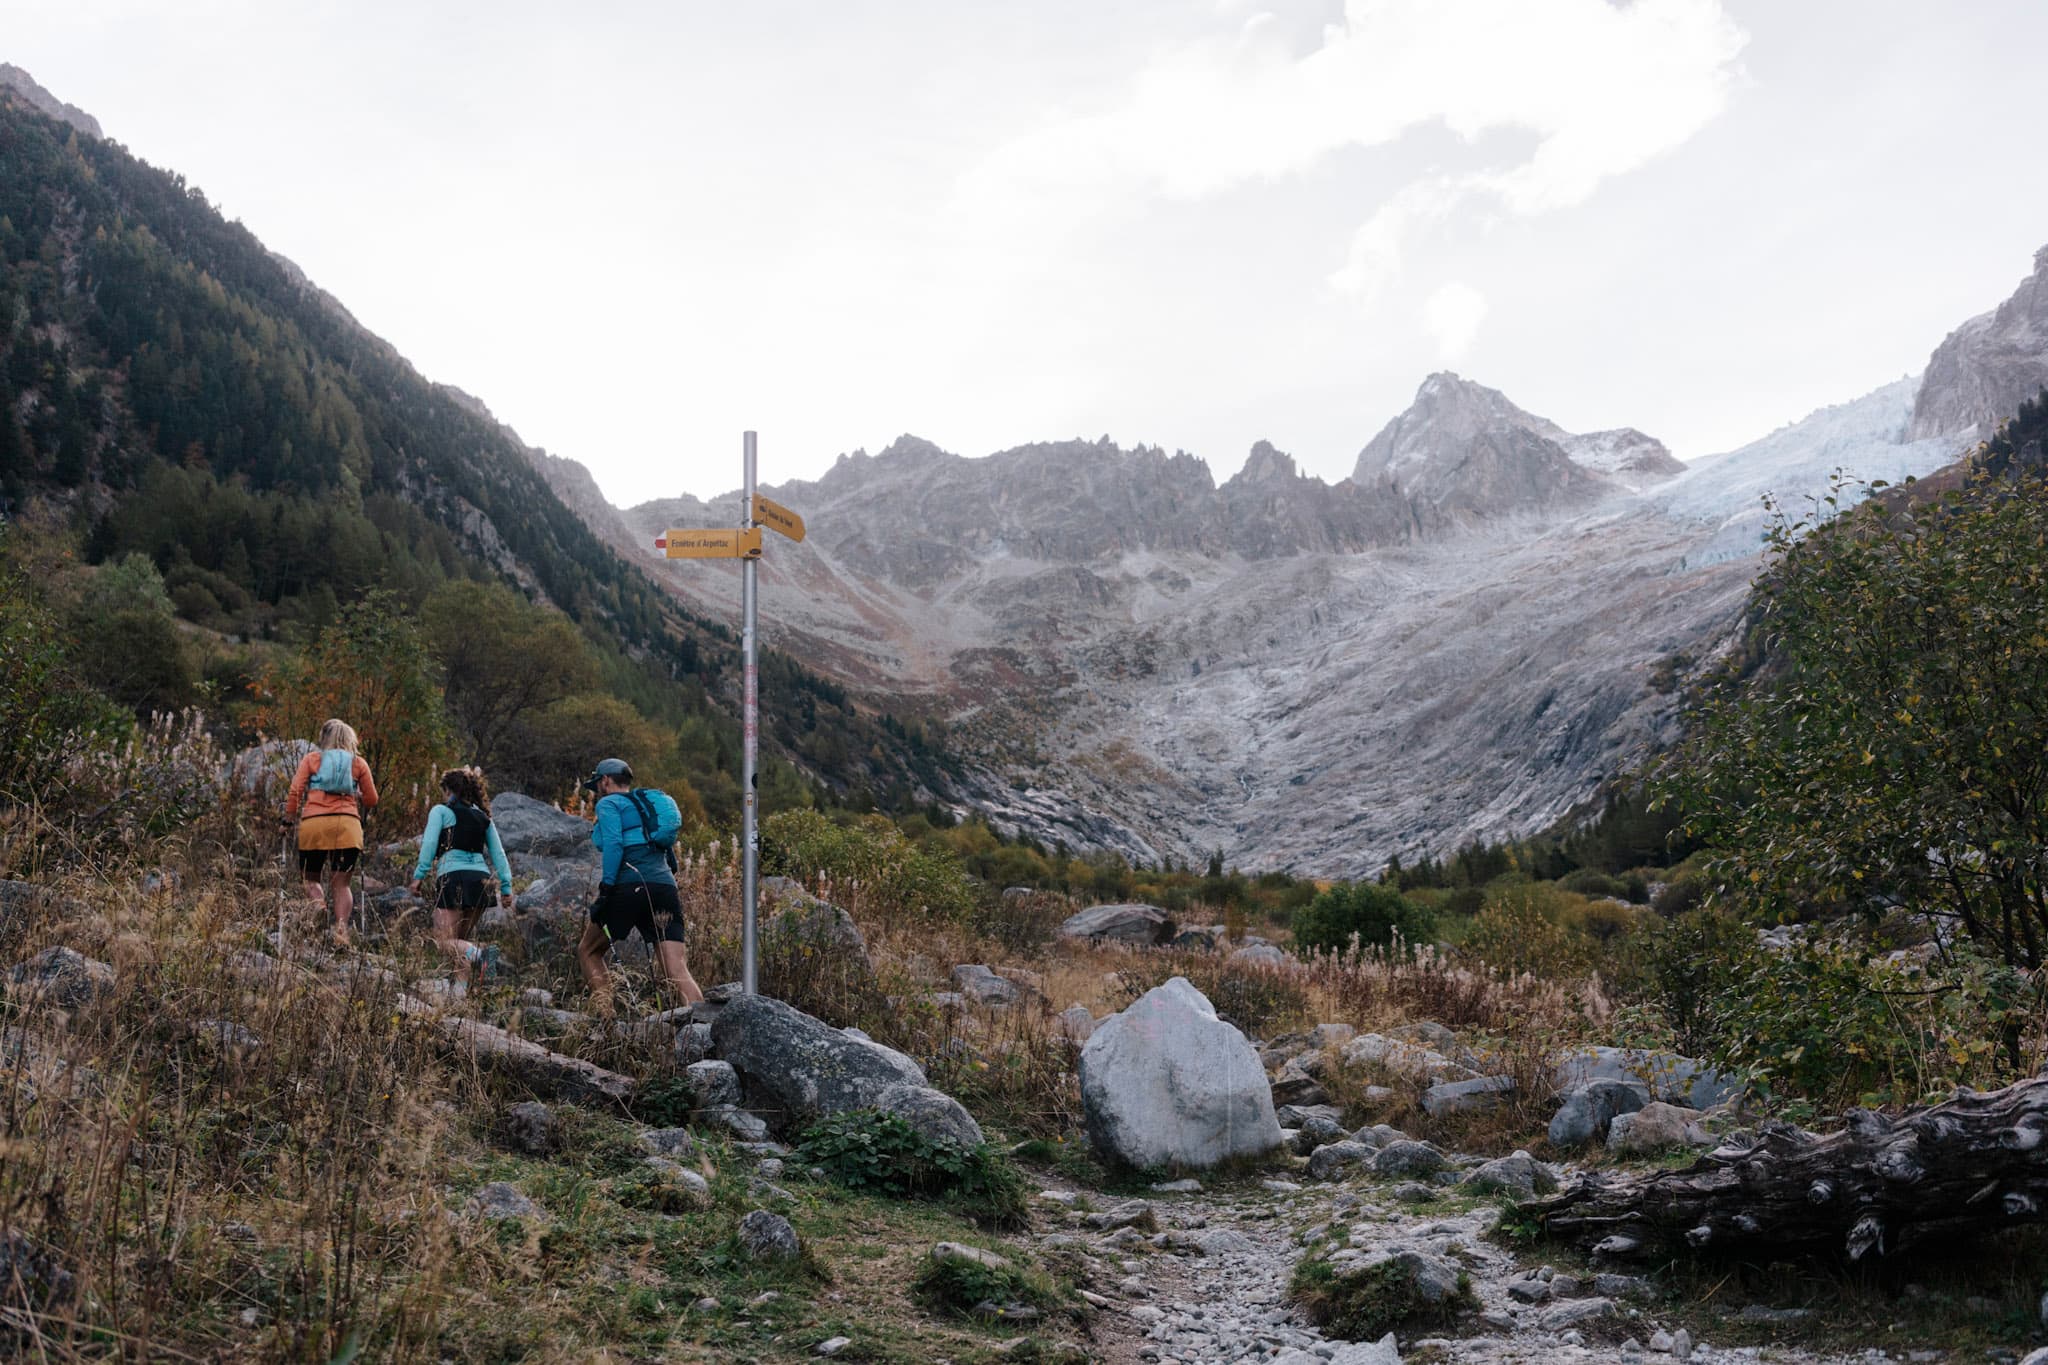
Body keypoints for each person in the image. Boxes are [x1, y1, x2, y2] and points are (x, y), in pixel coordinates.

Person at [578, 757, 704, 1014]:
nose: (597, 790)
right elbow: (669, 854)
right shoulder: (645, 805)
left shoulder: (609, 803)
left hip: (629, 886)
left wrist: (607, 888)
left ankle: (607, 1021)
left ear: (605, 780)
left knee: (588, 951)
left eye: (597, 783)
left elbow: (614, 843)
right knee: (676, 969)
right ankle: (704, 1028)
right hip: (664, 887)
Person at [409, 766, 514, 990]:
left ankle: (481, 955)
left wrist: (419, 875)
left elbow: (429, 843)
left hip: (453, 878)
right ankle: (459, 995)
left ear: (449, 790)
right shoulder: (483, 817)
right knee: (459, 943)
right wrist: (506, 887)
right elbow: (499, 853)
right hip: (481, 882)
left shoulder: (441, 811)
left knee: (442, 941)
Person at [283, 718, 379, 946]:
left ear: (324, 738)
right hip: (347, 827)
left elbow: (295, 790)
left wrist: (287, 820)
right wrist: (357, 796)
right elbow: (372, 800)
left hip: (314, 826)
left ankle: (318, 906)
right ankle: (341, 932)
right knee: (341, 884)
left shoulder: (312, 759)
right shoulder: (358, 763)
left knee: (310, 879)